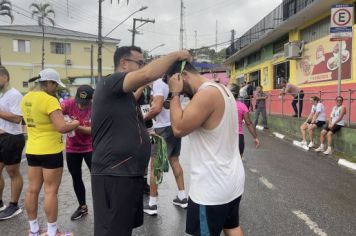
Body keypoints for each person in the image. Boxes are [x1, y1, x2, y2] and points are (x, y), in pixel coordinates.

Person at [91, 46, 191, 236]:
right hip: (114, 173)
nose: (143, 66)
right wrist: (176, 54)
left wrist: (144, 136)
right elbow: (147, 74)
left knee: (123, 228)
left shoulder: (125, 95)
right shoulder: (111, 81)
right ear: (123, 63)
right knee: (112, 231)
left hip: (128, 173)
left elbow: (127, 122)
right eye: (140, 62)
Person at [166, 61, 245, 236]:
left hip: (211, 189)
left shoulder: (207, 94)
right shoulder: (222, 90)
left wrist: (175, 93)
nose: (185, 94)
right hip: (230, 181)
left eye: (175, 83)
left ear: (183, 76)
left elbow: (178, 128)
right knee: (232, 227)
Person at [21, 68, 79, 236]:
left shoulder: (26, 98)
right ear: (49, 83)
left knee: (32, 190)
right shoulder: (49, 100)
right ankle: (52, 232)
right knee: (50, 191)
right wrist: (75, 123)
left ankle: (33, 230)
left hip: (32, 149)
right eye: (55, 85)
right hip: (50, 151)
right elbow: (61, 127)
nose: (56, 89)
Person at [142, 78, 187, 216]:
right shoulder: (176, 83)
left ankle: (152, 204)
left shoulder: (158, 83)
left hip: (162, 129)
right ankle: (182, 196)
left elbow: (156, 108)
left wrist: (141, 119)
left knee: (155, 166)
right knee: (174, 160)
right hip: (175, 125)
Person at [61, 85, 94, 220]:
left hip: (90, 147)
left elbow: (91, 131)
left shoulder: (95, 108)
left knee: (98, 176)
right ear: (76, 97)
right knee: (76, 177)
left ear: (91, 100)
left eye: (85, 104)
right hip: (72, 147)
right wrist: (62, 120)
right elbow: (55, 112)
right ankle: (82, 207)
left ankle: (103, 206)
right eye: (79, 103)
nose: (81, 106)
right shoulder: (68, 104)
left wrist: (74, 125)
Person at [0, 66, 25, 220]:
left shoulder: (14, 94)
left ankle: (14, 205)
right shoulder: (1, 95)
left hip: (12, 137)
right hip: (1, 137)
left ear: (5, 77)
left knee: (12, 172)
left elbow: (17, 118)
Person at [230, 84, 260, 156]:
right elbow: (249, 124)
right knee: (239, 162)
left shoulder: (222, 105)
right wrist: (255, 137)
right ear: (238, 94)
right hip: (239, 137)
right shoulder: (242, 106)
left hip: (226, 138)